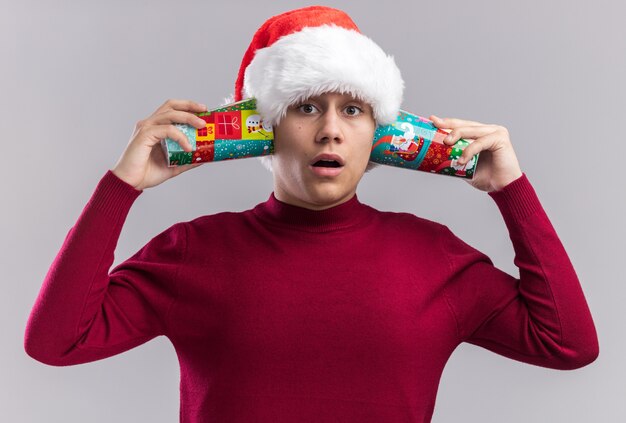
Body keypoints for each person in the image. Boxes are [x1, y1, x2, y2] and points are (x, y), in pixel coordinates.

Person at [24, 5, 599, 422]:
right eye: (305, 106)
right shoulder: (193, 251)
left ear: (380, 132)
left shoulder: (433, 255)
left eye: (352, 108)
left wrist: (512, 190)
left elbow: (568, 346)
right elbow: (56, 343)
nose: (329, 128)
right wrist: (121, 187)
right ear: (263, 128)